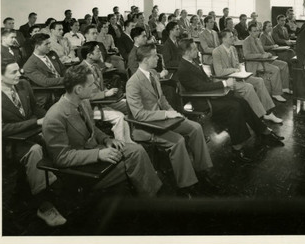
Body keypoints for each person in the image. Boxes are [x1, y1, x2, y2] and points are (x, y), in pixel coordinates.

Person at [42, 65, 162, 197]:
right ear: (78, 89)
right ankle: (151, 199)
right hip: (80, 169)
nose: (94, 88)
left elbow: (92, 128)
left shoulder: (83, 102)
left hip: (95, 151)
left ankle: (149, 194)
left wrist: (106, 139)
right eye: (91, 85)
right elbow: (61, 157)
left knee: (137, 150)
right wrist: (98, 154)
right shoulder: (54, 116)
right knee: (135, 163)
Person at [126, 44, 214, 196]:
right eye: (154, 56)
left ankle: (202, 169)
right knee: (177, 141)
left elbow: (163, 100)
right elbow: (139, 115)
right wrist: (166, 115)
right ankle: (186, 184)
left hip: (165, 120)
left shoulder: (153, 73)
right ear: (146, 60)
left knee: (196, 128)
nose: (158, 58)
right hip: (147, 126)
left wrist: (173, 112)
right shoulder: (133, 83)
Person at [176, 39, 284, 162]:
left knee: (241, 101)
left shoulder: (192, 61)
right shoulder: (183, 68)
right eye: (194, 49)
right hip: (202, 101)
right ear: (186, 52)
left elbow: (205, 82)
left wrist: (223, 85)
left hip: (210, 94)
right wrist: (223, 83)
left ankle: (263, 131)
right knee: (234, 107)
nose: (198, 50)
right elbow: (200, 87)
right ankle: (237, 147)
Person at [1, 59, 66, 227]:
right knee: (35, 150)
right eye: (13, 72)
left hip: (31, 133)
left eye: (19, 71)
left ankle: (61, 179)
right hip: (10, 143)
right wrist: (35, 123)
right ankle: (43, 203)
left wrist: (51, 117)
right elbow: (0, 129)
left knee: (54, 135)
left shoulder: (23, 85)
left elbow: (36, 109)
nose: (19, 75)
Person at [212, 30, 283, 124]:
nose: (233, 38)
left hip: (236, 76)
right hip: (226, 80)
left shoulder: (233, 49)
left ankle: (269, 111)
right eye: (231, 37)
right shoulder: (217, 51)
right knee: (248, 87)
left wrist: (240, 71)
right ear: (224, 39)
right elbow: (219, 72)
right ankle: (260, 116)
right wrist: (233, 70)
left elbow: (237, 65)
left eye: (233, 36)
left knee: (259, 81)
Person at [79, 42, 133, 142]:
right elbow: (83, 96)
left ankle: (128, 139)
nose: (100, 53)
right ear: (89, 55)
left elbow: (100, 87)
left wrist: (107, 91)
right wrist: (104, 94)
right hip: (89, 107)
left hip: (101, 102)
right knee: (119, 117)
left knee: (130, 104)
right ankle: (121, 144)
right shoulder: (81, 70)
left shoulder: (95, 67)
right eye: (98, 51)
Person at [242, 23, 290, 102]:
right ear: (249, 32)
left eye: (257, 31)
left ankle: (285, 88)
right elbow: (247, 56)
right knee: (275, 69)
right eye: (254, 31)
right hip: (255, 64)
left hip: (263, 61)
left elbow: (262, 51)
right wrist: (261, 55)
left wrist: (267, 54)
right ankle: (276, 93)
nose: (257, 33)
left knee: (284, 64)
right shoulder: (246, 41)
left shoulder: (258, 39)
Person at [22, 33, 66, 108]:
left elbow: (63, 69)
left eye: (49, 43)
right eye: (46, 44)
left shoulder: (52, 54)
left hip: (63, 88)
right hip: (50, 95)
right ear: (37, 46)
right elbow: (45, 82)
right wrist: (67, 79)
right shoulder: (29, 65)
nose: (50, 46)